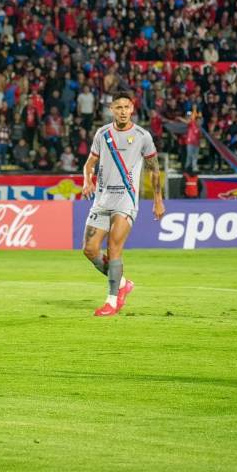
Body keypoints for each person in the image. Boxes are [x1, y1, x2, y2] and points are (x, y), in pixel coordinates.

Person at [81, 91, 165, 316]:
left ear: (132, 109)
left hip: (126, 201)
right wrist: (87, 181)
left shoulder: (142, 136)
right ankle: (123, 284)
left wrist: (158, 200)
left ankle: (111, 301)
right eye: (118, 107)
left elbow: (154, 169)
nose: (122, 111)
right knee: (89, 250)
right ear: (112, 110)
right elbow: (89, 164)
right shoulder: (102, 133)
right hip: (102, 200)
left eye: (126, 107)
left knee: (113, 248)